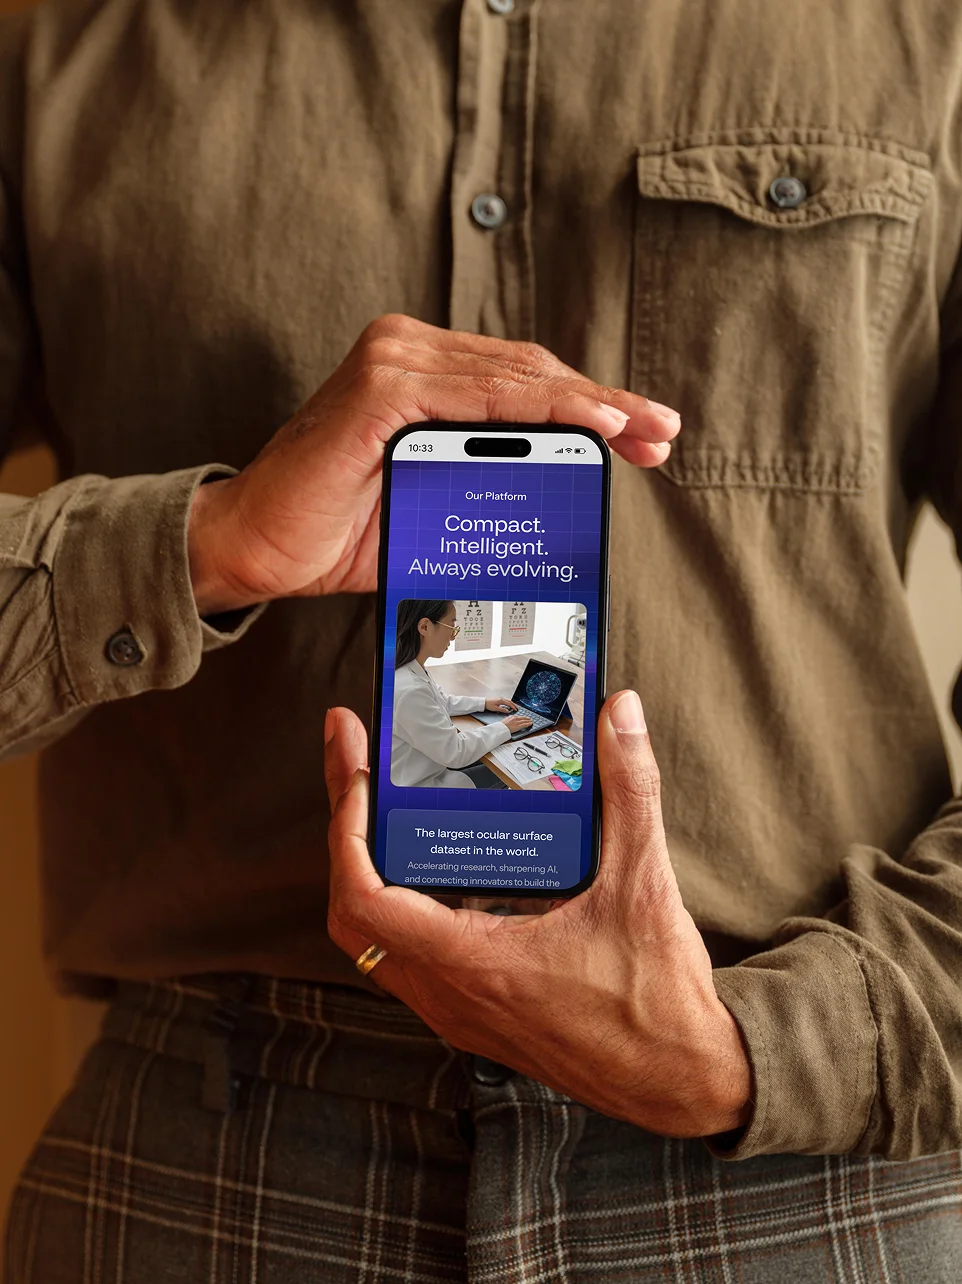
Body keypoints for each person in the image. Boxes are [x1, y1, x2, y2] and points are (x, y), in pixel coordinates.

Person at [2, 0, 962, 1279]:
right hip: (212, 1160)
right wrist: (203, 541)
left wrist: (782, 1050)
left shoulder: (929, 37)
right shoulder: (58, 55)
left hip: (804, 1165)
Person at [391, 598, 532, 788]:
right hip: (422, 785)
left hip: (431, 763)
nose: (453, 636)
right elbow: (456, 752)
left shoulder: (411, 670)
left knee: (500, 754)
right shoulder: (410, 690)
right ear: (424, 627)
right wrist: (504, 727)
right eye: (452, 625)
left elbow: (442, 702)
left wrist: (484, 703)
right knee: (515, 769)